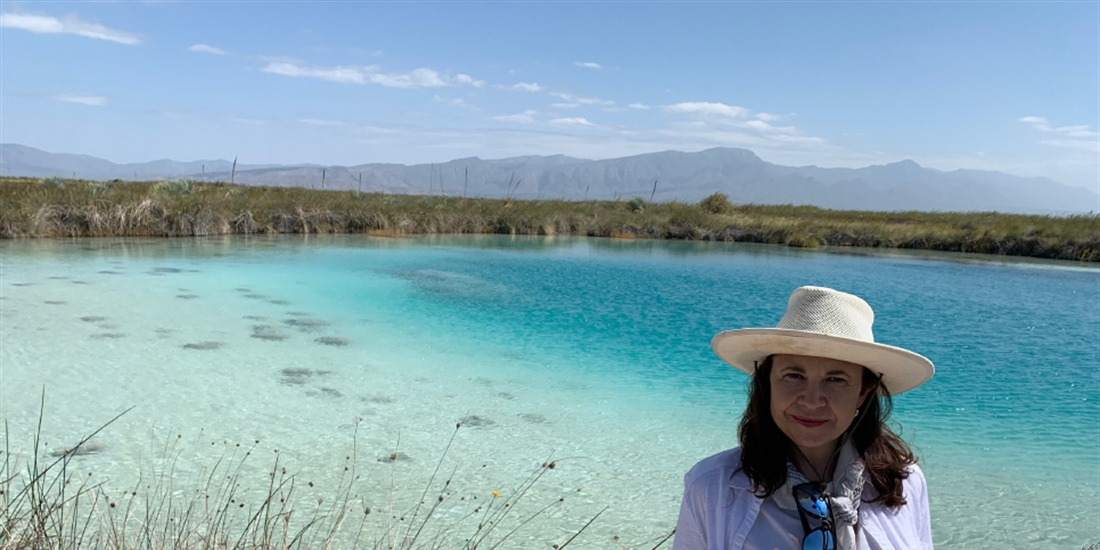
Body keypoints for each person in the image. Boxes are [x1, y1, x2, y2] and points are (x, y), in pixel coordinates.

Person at [674, 286, 934, 550]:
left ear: (863, 393)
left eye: (836, 379)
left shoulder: (905, 481)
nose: (812, 400)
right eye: (794, 375)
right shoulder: (710, 486)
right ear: (768, 383)